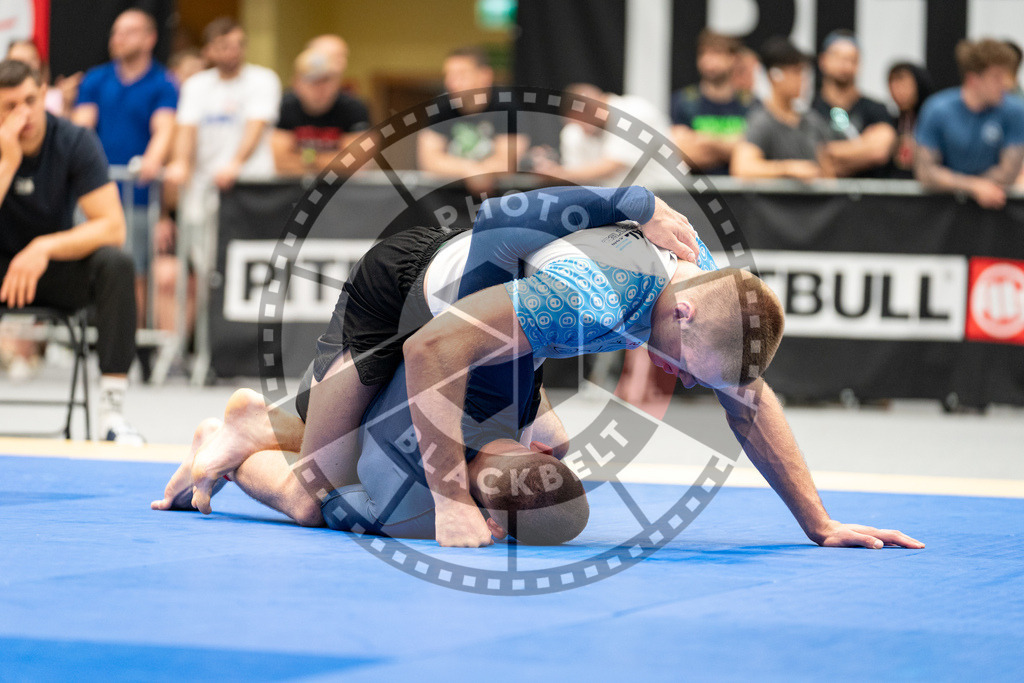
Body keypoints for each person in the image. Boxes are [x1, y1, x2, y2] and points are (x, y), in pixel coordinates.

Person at [190, 183, 922, 552]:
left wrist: (820, 523)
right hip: (406, 304)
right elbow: (432, 348)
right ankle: (251, 435)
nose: (692, 384)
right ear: (688, 314)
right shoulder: (594, 297)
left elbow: (748, 400)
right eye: (696, 371)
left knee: (553, 450)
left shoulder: (704, 284)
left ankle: (270, 418)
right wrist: (449, 500)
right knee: (319, 493)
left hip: (497, 328)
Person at [0, 60, 142, 443]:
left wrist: (43, 246)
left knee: (116, 263)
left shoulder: (73, 140)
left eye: (30, 100)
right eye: (9, 107)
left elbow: (112, 226)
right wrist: (8, 161)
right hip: (2, 270)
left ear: (44, 93)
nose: (23, 114)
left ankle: (111, 414)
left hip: (54, 267)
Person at [72, 9, 178, 328]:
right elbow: (82, 127)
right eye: (115, 31)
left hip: (138, 198)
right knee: (84, 267)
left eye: (128, 31)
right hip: (94, 196)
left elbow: (164, 129)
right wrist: (81, 166)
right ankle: (83, 337)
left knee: (134, 272)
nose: (118, 38)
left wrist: (152, 160)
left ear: (149, 38)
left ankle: (132, 344)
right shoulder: (96, 79)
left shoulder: (162, 83)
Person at [164, 17, 281, 230]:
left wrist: (235, 164)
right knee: (202, 254)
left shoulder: (263, 79)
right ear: (208, 50)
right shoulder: (196, 85)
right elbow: (186, 129)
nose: (233, 52)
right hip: (205, 185)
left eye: (239, 45)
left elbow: (256, 125)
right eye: (224, 46)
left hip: (249, 183)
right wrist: (181, 163)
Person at [914, 38, 1024, 210]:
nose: (1005, 84)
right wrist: (974, 187)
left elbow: (1009, 171)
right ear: (973, 80)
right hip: (942, 215)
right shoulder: (937, 109)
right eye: (997, 77)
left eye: (1006, 76)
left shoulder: (1015, 111)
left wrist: (961, 184)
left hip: (997, 211)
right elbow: (925, 172)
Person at [417, 46, 525, 195]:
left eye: (461, 74)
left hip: (499, 198)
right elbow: (429, 160)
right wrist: (470, 170)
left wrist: (478, 171)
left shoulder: (506, 104)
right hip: (449, 198)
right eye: (448, 75)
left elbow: (507, 161)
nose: (451, 82)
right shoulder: (440, 106)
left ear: (485, 75)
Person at [731, 36, 840, 180]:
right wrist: (788, 169)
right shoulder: (761, 121)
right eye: (796, 72)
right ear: (774, 75)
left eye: (803, 73)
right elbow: (742, 168)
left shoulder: (812, 122)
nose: (802, 79)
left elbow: (828, 174)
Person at [528, 82, 675, 186]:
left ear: (602, 100)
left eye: (590, 111)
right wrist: (547, 167)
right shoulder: (573, 131)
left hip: (667, 195)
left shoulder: (635, 112)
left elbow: (613, 166)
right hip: (617, 206)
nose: (583, 123)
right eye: (577, 119)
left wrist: (558, 174)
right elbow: (577, 177)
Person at [272, 45, 370, 175]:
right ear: (296, 83)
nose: (319, 88)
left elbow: (354, 161)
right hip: (294, 190)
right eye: (312, 81)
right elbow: (280, 161)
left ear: (337, 81)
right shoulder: (284, 106)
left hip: (342, 190)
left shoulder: (354, 108)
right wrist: (331, 161)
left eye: (325, 80)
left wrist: (305, 160)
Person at [811, 30, 896, 178]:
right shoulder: (809, 111)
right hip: (827, 200)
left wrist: (826, 154)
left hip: (871, 199)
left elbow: (878, 151)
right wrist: (863, 147)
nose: (845, 65)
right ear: (823, 60)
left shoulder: (877, 110)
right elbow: (808, 158)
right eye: (838, 57)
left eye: (852, 59)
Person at [671, 30, 755, 175]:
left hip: (741, 194)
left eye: (716, 53)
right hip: (696, 193)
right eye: (703, 54)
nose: (708, 61)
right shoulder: (684, 101)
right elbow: (685, 154)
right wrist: (731, 147)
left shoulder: (751, 104)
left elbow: (753, 153)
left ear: (733, 58)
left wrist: (704, 140)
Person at [887, 62, 934, 179]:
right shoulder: (892, 121)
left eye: (903, 84)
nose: (898, 91)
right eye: (893, 84)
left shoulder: (933, 118)